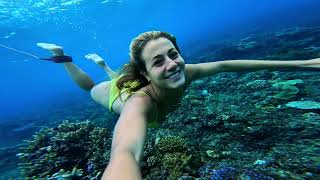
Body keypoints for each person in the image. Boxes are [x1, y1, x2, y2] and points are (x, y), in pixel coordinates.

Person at [38, 31, 320, 179]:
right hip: (118, 96)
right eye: (158, 61)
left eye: (173, 54)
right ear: (146, 73)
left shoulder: (186, 71)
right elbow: (124, 152)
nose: (173, 65)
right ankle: (64, 58)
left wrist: (305, 63)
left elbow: (226, 64)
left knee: (122, 78)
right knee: (90, 88)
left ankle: (106, 66)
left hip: (135, 80)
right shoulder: (139, 104)